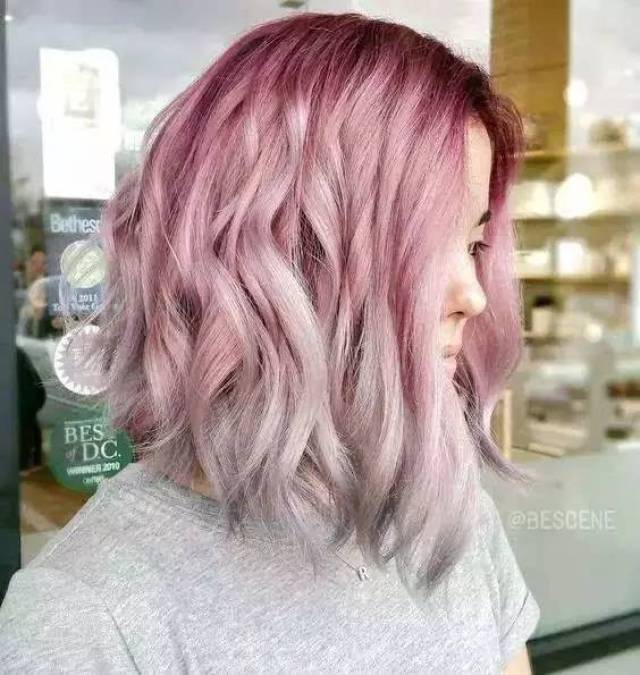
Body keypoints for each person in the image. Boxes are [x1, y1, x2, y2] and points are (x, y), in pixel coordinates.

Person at [0, 12, 540, 674]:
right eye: (425, 246)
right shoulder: (85, 622)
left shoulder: (448, 516)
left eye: (474, 244)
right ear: (275, 258)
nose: (474, 295)